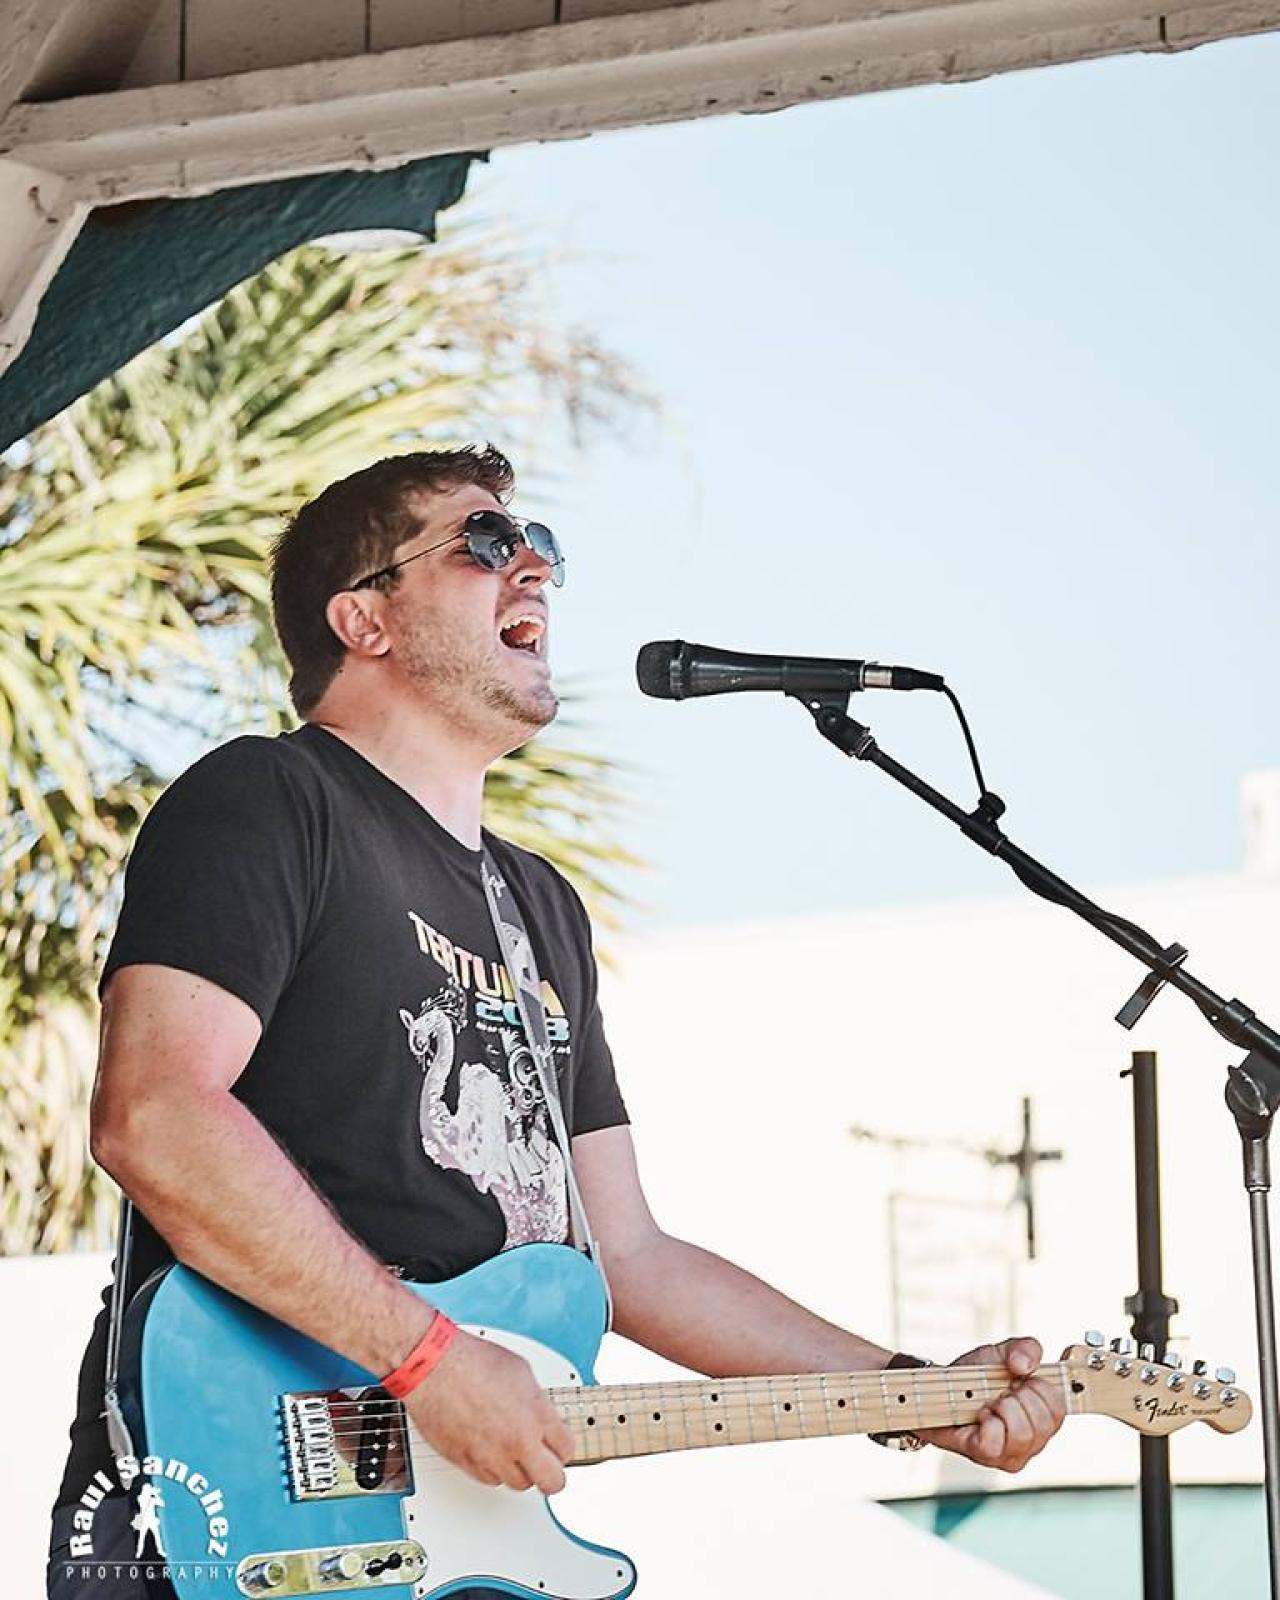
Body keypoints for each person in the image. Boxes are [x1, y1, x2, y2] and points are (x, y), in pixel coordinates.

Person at [47, 446, 1065, 1598]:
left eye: (538, 546)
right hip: (232, 1507)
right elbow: (156, 1114)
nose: (531, 565)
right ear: (363, 618)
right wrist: (427, 1357)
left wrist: (914, 1392)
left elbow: (627, 1258)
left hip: (453, 1536)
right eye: (483, 543)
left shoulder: (536, 907)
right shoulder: (268, 799)